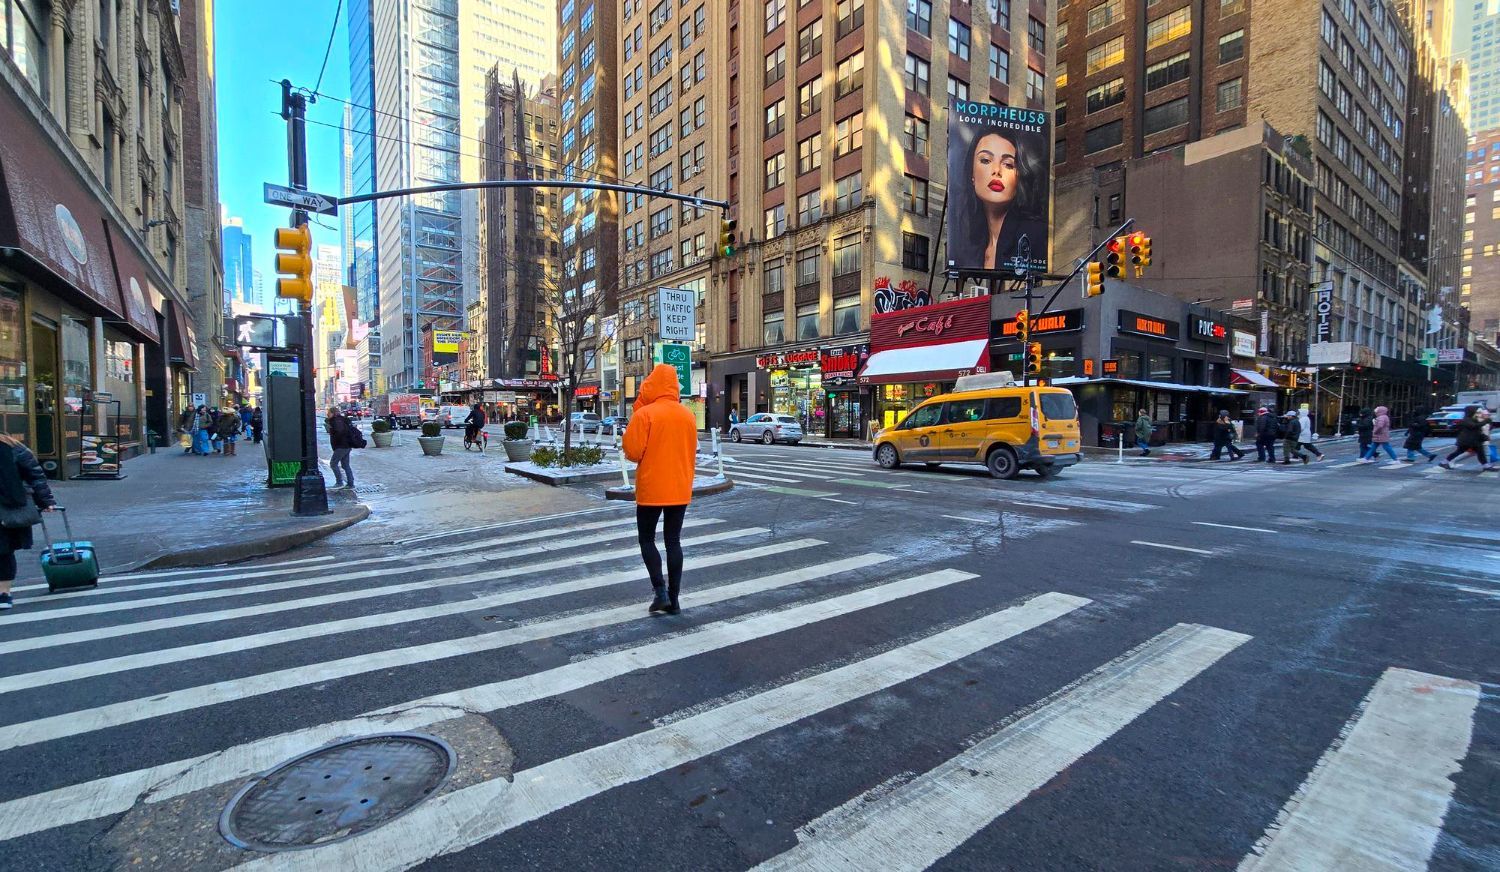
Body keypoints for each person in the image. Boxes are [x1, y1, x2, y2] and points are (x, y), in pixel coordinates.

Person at [622, 363, 698, 616]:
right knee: (673, 541)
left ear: (651, 386)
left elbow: (632, 452)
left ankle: (660, 591)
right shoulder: (688, 415)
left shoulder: (645, 414)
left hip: (652, 488)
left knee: (647, 539)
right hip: (680, 486)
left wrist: (639, 410)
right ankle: (674, 601)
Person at [948, 126, 1049, 271]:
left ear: (1019, 176)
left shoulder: (1035, 235)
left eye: (1008, 164)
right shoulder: (967, 244)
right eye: (986, 160)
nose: (997, 171)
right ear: (972, 175)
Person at [0, 434, 58, 611]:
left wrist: (46, 500)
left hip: (7, 508)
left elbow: (35, 474)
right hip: (8, 506)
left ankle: (4, 593)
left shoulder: (11, 446)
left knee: (3, 551)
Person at [326, 407, 357, 489]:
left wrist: (334, 436)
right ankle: (350, 483)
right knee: (345, 465)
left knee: (333, 464)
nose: (327, 414)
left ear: (332, 413)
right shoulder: (342, 419)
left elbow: (339, 432)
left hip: (341, 446)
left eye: (328, 412)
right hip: (347, 445)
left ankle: (339, 482)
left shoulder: (336, 421)